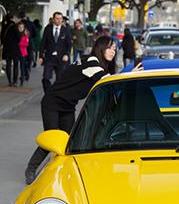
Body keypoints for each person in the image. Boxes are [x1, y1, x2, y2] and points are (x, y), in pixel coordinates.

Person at [24, 36, 142, 184]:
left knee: (69, 142)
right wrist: (130, 75)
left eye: (114, 49)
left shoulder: (97, 64)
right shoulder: (91, 61)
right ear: (101, 47)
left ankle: (60, 170)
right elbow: (107, 82)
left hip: (68, 106)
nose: (113, 52)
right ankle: (30, 169)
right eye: (109, 48)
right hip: (53, 103)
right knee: (52, 139)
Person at [39, 12, 72, 93]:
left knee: (60, 80)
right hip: (50, 58)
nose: (59, 20)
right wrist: (40, 56)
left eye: (60, 18)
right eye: (57, 18)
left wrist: (67, 55)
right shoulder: (48, 29)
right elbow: (43, 42)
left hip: (61, 58)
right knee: (46, 78)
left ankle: (56, 95)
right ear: (53, 19)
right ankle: (48, 94)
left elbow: (69, 44)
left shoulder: (65, 30)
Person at [1, 13, 21, 87]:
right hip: (15, 48)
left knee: (8, 65)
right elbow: (19, 38)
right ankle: (15, 81)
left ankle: (9, 81)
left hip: (6, 48)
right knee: (16, 65)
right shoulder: (15, 26)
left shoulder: (4, 26)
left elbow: (1, 37)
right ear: (12, 18)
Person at [18, 12, 38, 79]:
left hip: (21, 45)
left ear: (19, 17)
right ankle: (28, 69)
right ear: (26, 16)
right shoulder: (31, 23)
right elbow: (36, 33)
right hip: (29, 43)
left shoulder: (18, 24)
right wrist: (30, 37)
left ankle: (23, 72)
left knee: (22, 60)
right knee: (29, 58)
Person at [18, 22, 30, 86]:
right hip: (17, 52)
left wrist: (19, 43)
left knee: (22, 66)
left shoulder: (25, 35)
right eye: (20, 27)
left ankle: (22, 78)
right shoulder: (17, 34)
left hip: (23, 52)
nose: (21, 29)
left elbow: (26, 44)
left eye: (22, 27)